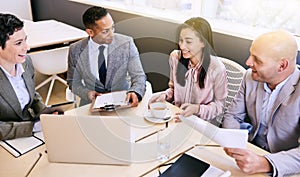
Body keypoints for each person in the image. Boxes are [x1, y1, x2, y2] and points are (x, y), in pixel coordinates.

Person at [222, 30, 300, 176]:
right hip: (251, 153)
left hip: (285, 166)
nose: (248, 62)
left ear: (282, 66)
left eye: (257, 60)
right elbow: (233, 115)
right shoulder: (249, 77)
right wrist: (233, 143)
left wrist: (265, 163)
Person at [148, 17, 228, 120]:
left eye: (188, 42)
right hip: (176, 116)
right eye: (181, 40)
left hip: (201, 124)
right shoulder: (175, 58)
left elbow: (220, 106)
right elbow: (173, 89)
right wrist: (165, 95)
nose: (182, 46)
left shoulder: (217, 68)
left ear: (203, 43)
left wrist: (197, 109)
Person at [67, 6, 146, 106]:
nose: (112, 34)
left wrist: (135, 92)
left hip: (123, 101)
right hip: (91, 104)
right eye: (105, 31)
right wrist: (87, 93)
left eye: (112, 28)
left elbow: (139, 76)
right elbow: (73, 82)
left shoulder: (126, 43)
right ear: (90, 32)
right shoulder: (75, 50)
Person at [0, 13, 62, 140]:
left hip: (30, 133)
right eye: (18, 43)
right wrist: (32, 127)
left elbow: (32, 94)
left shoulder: (26, 62)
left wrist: (44, 113)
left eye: (25, 40)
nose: (27, 48)